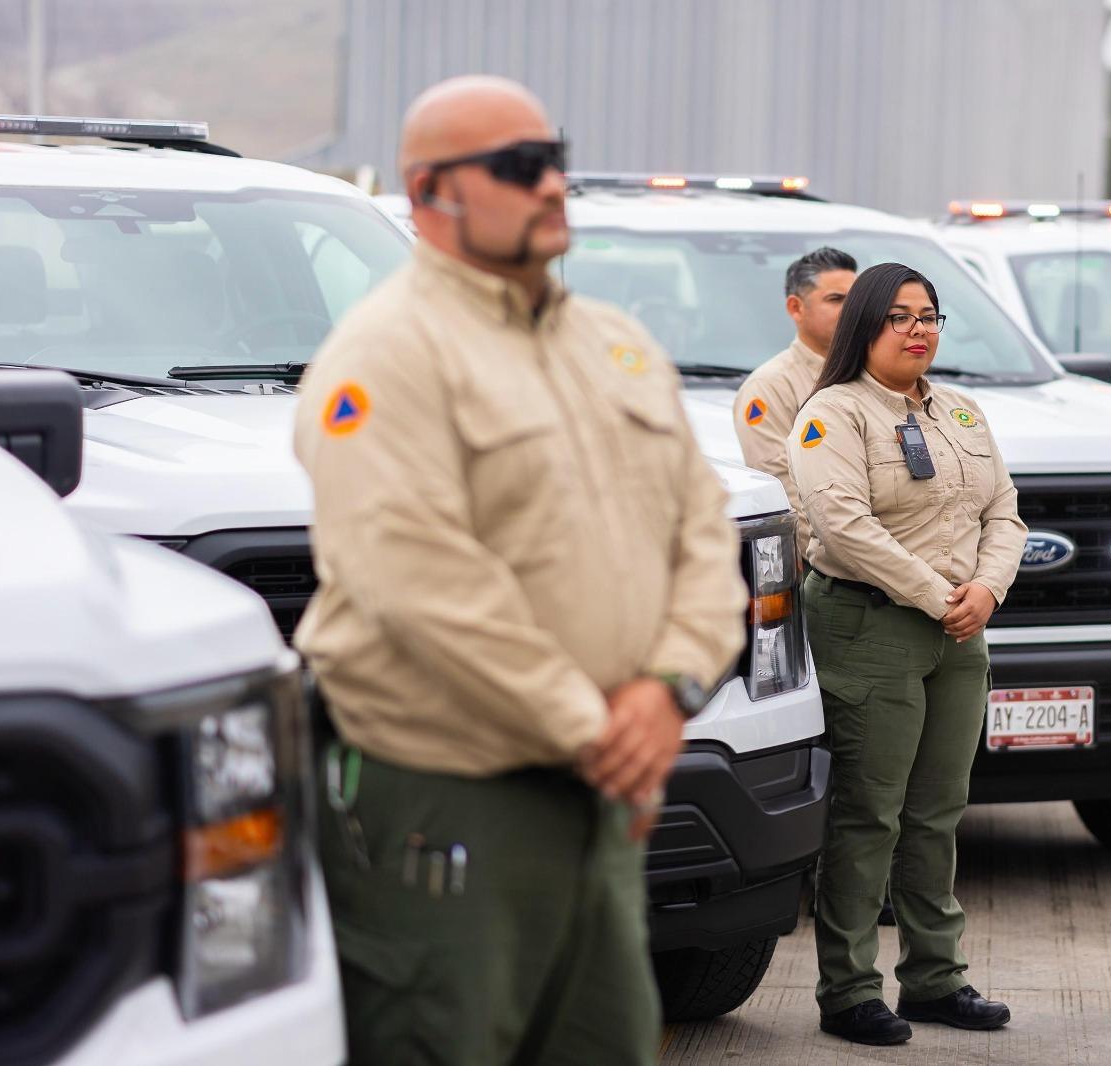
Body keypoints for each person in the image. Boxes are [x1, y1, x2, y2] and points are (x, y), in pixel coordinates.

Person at [293, 76, 747, 1065]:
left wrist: (669, 690)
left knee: (607, 1041)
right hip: (453, 796)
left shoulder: (613, 345)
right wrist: (601, 732)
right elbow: (415, 582)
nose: (550, 185)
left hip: (605, 789)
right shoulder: (385, 356)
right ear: (428, 194)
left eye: (555, 158)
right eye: (515, 166)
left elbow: (704, 530)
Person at [788, 262, 1027, 1046]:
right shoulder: (834, 414)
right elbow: (844, 527)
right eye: (900, 317)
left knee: (937, 812)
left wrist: (986, 591)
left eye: (930, 316)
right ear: (864, 324)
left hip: (959, 631)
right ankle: (850, 991)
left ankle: (934, 979)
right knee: (869, 815)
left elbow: (1005, 513)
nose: (920, 329)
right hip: (872, 627)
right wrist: (939, 593)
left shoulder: (959, 412)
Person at [733, 245, 857, 556]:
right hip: (830, 571)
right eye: (835, 300)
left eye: (855, 301)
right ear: (796, 308)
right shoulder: (770, 386)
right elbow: (786, 496)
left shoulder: (876, 377)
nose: (851, 311)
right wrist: (855, 562)